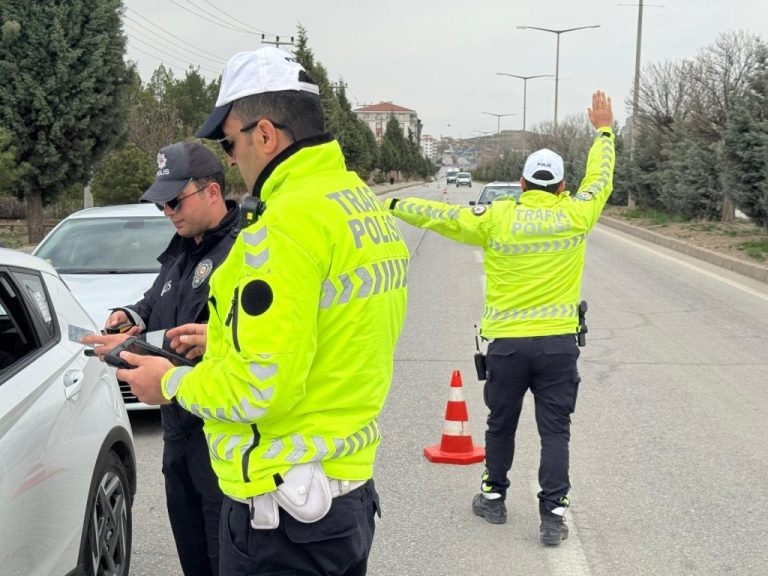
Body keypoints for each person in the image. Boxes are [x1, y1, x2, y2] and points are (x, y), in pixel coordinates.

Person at [115, 47, 409, 575]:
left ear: (266, 135)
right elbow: (329, 334)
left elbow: (258, 389)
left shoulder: (281, 231)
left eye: (229, 142)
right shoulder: (358, 205)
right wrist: (225, 340)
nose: (230, 159)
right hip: (345, 498)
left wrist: (172, 384)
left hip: (282, 519)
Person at [386, 91, 614, 546]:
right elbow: (601, 177)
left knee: (500, 425)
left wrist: (390, 205)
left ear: (523, 184)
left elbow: (441, 214)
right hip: (557, 348)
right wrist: (603, 132)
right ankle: (552, 517)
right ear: (563, 188)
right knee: (555, 433)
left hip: (507, 348)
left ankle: (493, 498)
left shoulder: (496, 217)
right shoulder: (577, 214)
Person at [82, 141, 240, 575]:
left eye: (174, 200)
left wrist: (223, 337)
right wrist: (128, 316)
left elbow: (271, 336)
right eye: (161, 205)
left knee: (224, 557)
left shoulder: (245, 251)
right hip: (178, 436)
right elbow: (154, 302)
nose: (168, 212)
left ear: (212, 192)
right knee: (193, 555)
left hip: (222, 437)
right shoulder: (183, 248)